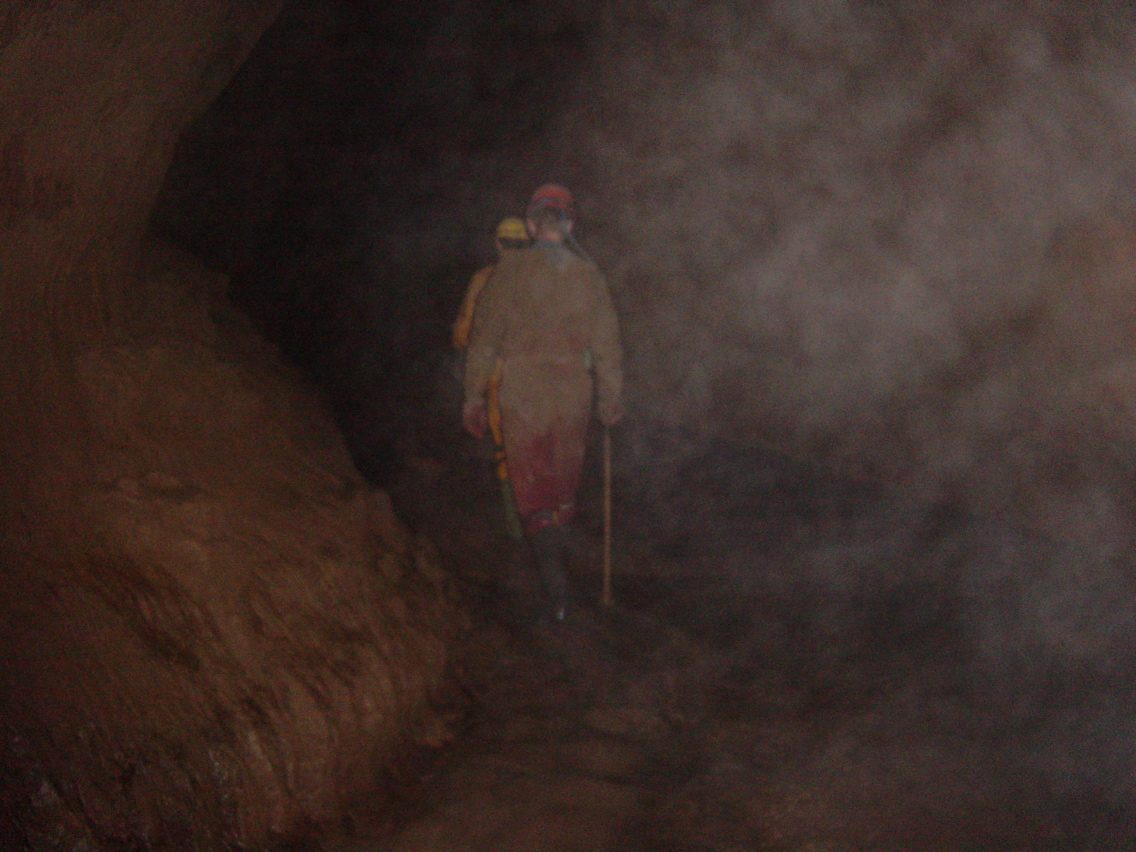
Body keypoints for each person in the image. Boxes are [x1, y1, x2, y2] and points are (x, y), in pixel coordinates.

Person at [461, 184, 623, 622]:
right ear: (569, 225)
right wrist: (610, 398)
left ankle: (555, 589)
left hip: (524, 393)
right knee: (563, 488)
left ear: (532, 225)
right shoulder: (589, 276)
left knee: (533, 492)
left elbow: (483, 342)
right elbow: (607, 345)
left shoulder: (508, 272)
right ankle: (561, 583)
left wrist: (473, 398)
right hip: (573, 394)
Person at [453, 216, 530, 539]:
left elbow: (464, 332)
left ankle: (517, 530)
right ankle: (548, 526)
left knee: (505, 452)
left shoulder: (485, 279)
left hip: (499, 378)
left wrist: (473, 394)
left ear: (498, 244)